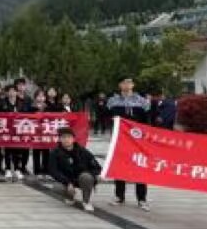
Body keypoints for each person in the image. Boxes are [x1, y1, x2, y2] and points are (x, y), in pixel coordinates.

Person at [108, 77, 152, 211]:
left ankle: (142, 198)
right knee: (119, 167)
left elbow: (147, 122)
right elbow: (107, 119)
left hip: (137, 141)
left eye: (129, 82)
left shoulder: (142, 102)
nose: (127, 85)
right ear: (120, 85)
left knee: (140, 168)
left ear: (133, 85)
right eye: (124, 82)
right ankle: (119, 196)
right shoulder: (112, 101)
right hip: (120, 140)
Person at [47, 126, 101, 213]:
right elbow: (53, 171)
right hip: (67, 179)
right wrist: (67, 182)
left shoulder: (82, 151)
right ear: (60, 139)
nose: (66, 140)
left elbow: (96, 166)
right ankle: (70, 196)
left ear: (73, 139)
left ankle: (86, 201)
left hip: (81, 178)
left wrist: (94, 175)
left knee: (86, 177)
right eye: (63, 137)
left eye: (69, 137)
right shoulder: (55, 153)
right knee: (57, 187)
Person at [0, 86, 27, 181]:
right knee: (7, 151)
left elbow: (26, 114)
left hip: (18, 130)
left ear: (16, 92)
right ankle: (8, 169)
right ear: (7, 93)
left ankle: (17, 169)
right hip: (7, 130)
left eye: (13, 91)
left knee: (18, 151)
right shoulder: (3, 102)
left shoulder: (21, 102)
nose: (12, 93)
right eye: (10, 91)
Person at [30, 90, 50, 177]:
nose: (41, 98)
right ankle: (37, 170)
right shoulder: (31, 107)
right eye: (39, 96)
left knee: (46, 151)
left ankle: (45, 170)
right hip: (35, 132)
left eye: (43, 96)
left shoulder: (47, 107)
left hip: (45, 132)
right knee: (36, 152)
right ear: (35, 97)